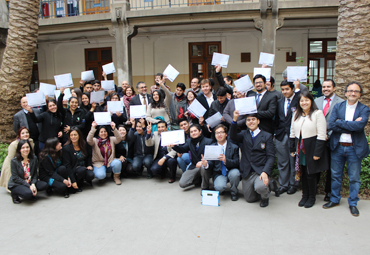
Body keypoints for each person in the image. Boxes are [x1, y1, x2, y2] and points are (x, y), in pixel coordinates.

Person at [323, 82, 370, 217]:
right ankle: (334, 199)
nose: (352, 93)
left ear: (360, 94)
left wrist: (341, 123)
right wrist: (352, 124)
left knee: (354, 178)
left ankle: (353, 203)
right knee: (335, 175)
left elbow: (360, 127)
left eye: (356, 91)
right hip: (337, 147)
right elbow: (331, 124)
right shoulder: (338, 107)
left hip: (354, 149)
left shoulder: (364, 109)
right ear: (345, 93)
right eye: (350, 91)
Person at [230, 111, 277, 207]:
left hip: (260, 171)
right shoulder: (244, 134)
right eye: (248, 120)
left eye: (253, 119)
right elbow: (233, 136)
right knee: (249, 199)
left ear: (258, 121)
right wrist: (234, 120)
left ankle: (265, 197)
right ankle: (270, 184)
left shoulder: (267, 136)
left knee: (261, 188)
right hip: (247, 171)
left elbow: (271, 156)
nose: (251, 122)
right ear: (246, 123)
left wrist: (265, 172)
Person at [290, 90, 327, 208]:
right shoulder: (296, 114)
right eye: (302, 100)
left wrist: (318, 152)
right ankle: (304, 195)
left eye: (307, 100)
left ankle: (312, 197)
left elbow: (322, 134)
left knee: (311, 174)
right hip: (300, 148)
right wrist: (292, 148)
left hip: (312, 147)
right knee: (303, 173)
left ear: (311, 101)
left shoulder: (317, 113)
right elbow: (292, 132)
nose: (304, 103)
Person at [314, 79, 344, 201]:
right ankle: (313, 189)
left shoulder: (341, 102)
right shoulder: (316, 101)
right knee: (316, 165)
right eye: (324, 87)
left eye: (328, 87)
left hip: (334, 139)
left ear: (334, 88)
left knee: (332, 168)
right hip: (318, 139)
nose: (326, 89)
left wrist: (328, 134)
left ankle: (329, 192)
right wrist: (321, 134)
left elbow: (340, 122)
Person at [274, 81, 301, 196]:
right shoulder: (279, 102)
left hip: (294, 136)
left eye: (287, 89)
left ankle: (293, 184)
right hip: (280, 135)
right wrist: (275, 133)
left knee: (293, 162)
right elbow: (276, 119)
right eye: (283, 89)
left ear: (292, 89)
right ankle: (283, 184)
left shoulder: (298, 100)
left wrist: (299, 88)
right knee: (282, 162)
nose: (284, 92)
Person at [172, 124, 213, 190]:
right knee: (182, 184)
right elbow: (183, 149)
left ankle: (205, 187)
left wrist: (203, 162)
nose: (193, 133)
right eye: (191, 132)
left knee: (203, 167)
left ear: (200, 131)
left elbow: (212, 157)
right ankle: (199, 180)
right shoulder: (189, 141)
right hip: (194, 166)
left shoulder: (208, 141)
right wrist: (174, 146)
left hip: (205, 166)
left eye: (195, 131)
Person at [8, 139, 48, 204]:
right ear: (19, 150)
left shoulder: (33, 158)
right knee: (28, 194)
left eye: (27, 147)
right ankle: (14, 193)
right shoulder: (14, 161)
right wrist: (29, 186)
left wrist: (33, 184)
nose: (26, 149)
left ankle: (30, 191)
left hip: (29, 181)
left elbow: (35, 174)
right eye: (23, 148)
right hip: (18, 183)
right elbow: (15, 178)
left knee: (44, 185)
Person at [208, 124, 240, 201]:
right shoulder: (212, 147)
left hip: (231, 171)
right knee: (219, 188)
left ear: (226, 134)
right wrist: (206, 164)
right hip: (219, 173)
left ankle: (234, 192)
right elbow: (211, 163)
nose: (219, 135)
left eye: (221, 132)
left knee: (235, 173)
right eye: (217, 133)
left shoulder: (234, 147)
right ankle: (221, 187)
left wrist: (226, 160)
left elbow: (236, 162)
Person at [0, 127, 35, 192]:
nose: (25, 134)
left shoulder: (31, 141)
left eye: (27, 132)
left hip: (25, 161)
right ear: (19, 135)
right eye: (23, 133)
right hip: (12, 162)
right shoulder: (14, 144)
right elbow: (11, 158)